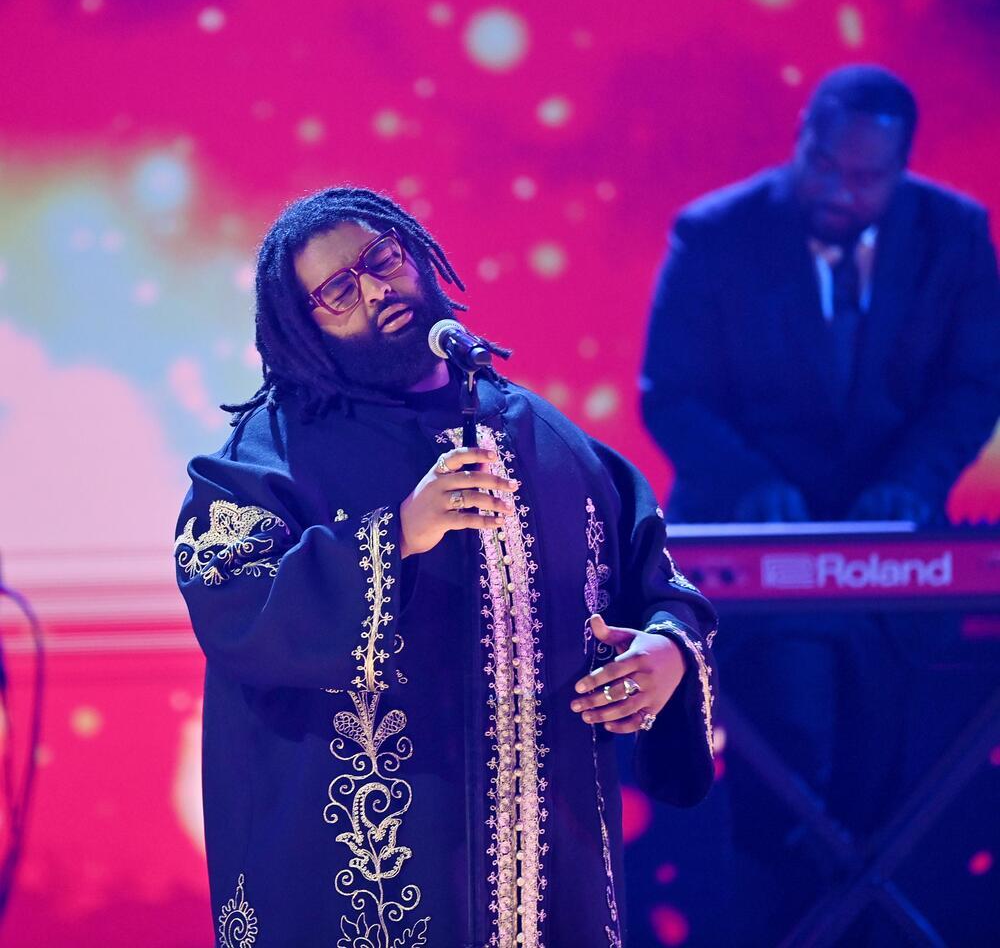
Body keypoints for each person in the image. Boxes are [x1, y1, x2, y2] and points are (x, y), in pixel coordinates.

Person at [174, 187, 718, 946]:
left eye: (381, 259)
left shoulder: (544, 437)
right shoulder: (268, 457)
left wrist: (667, 655)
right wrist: (396, 534)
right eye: (337, 292)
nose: (374, 290)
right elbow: (235, 604)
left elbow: (660, 584)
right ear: (303, 327)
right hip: (365, 880)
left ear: (417, 255)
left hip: (550, 865)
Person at [641, 64, 1000, 525]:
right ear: (801, 135)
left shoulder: (956, 236)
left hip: (898, 530)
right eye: (822, 165)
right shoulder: (712, 235)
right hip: (735, 521)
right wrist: (749, 485)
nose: (837, 194)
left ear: (902, 167)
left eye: (864, 179)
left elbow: (975, 384)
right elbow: (671, 393)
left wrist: (910, 483)